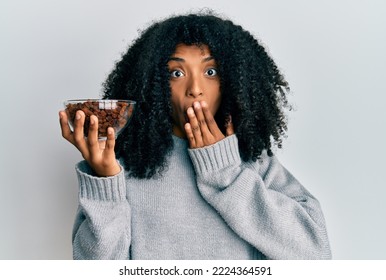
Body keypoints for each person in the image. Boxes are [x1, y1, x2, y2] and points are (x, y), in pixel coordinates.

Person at [59, 10, 332, 260]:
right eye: (176, 73)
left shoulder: (251, 159)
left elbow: (315, 253)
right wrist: (105, 181)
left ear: (234, 82)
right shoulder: (126, 166)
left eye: (210, 72)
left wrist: (225, 173)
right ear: (153, 85)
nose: (195, 89)